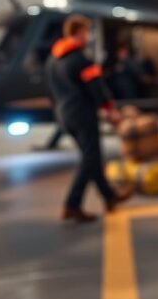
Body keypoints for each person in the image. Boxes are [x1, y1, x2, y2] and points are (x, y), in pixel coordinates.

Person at [46, 15, 131, 224]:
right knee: (90, 159)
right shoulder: (80, 59)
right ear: (78, 33)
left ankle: (109, 197)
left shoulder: (53, 59)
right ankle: (72, 205)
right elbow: (96, 87)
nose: (89, 36)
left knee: (91, 157)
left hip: (64, 114)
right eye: (87, 32)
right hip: (83, 114)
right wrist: (110, 109)